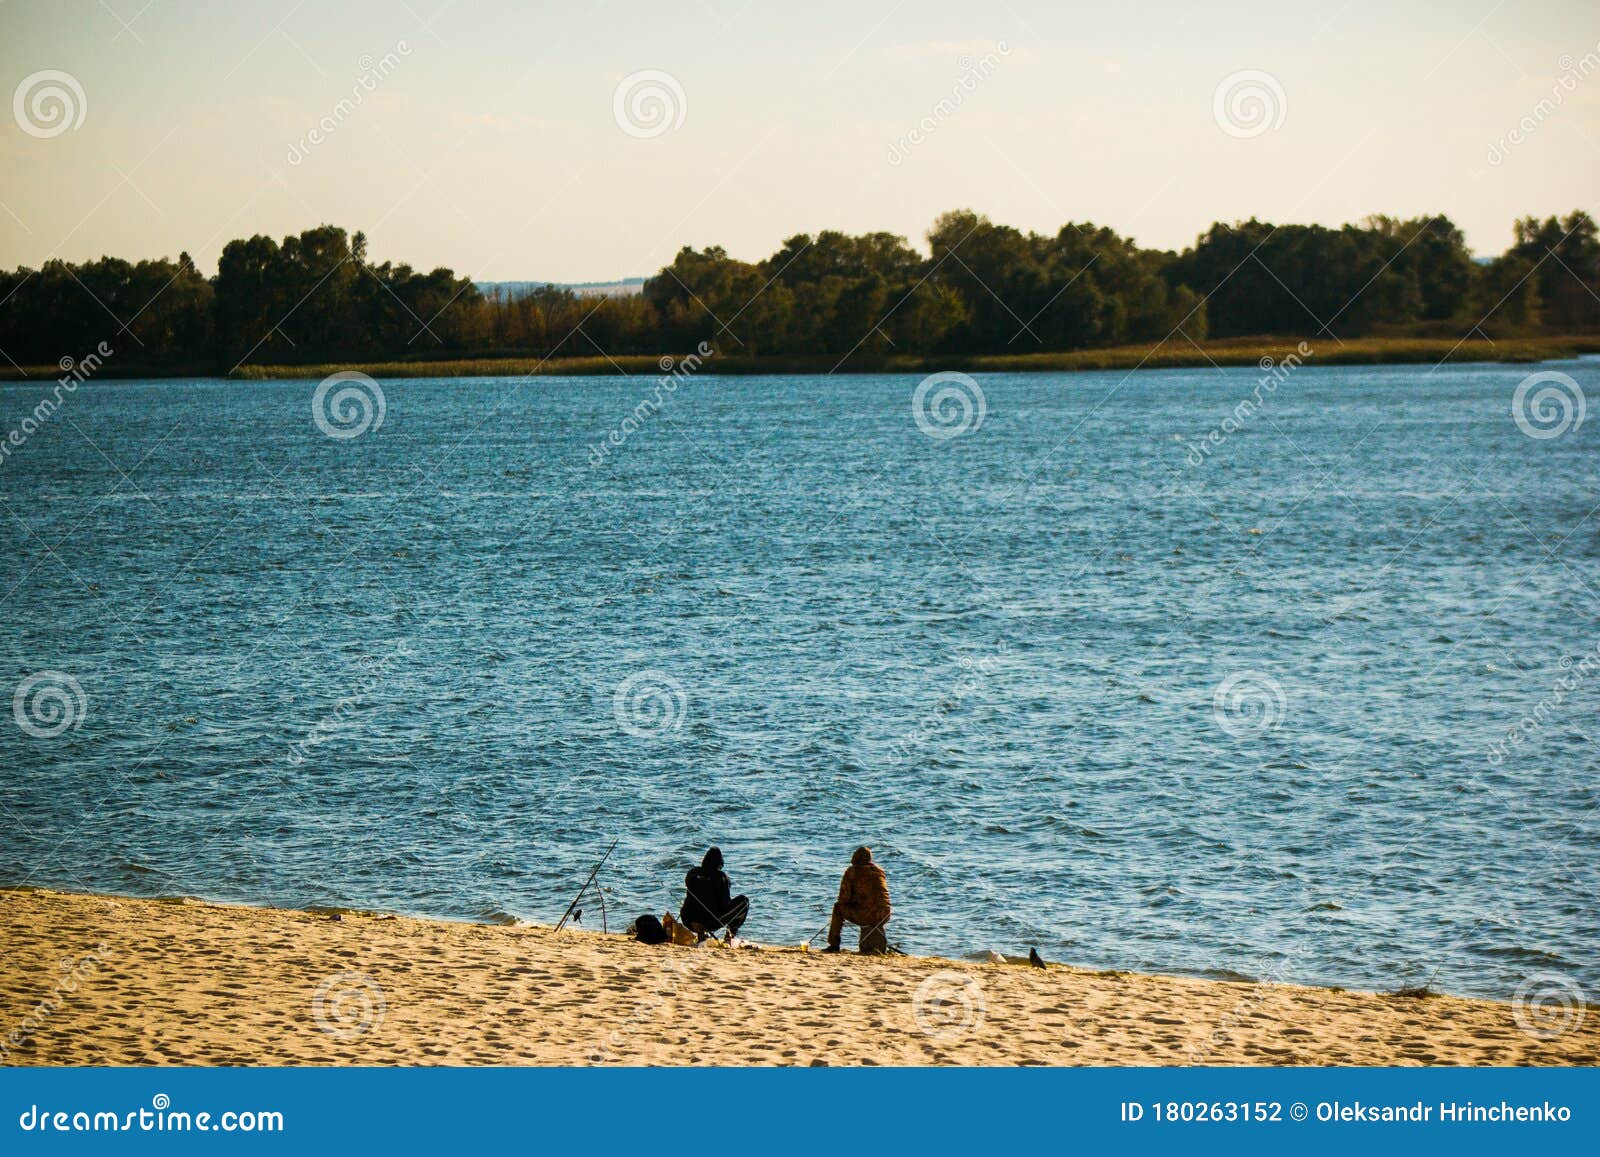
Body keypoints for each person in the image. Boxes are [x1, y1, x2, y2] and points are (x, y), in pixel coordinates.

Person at [824, 846, 891, 954]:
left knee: (838, 908)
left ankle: (834, 944)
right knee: (865, 907)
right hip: (885, 914)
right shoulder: (879, 871)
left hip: (867, 915)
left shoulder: (852, 871)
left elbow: (843, 899)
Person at [679, 847, 749, 942]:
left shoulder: (692, 872)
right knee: (744, 901)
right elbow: (724, 905)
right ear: (720, 864)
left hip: (688, 919)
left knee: (695, 903)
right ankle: (730, 934)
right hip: (709, 922)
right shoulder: (721, 877)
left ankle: (701, 933)